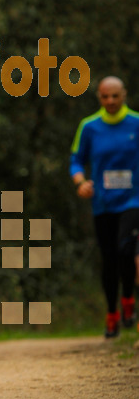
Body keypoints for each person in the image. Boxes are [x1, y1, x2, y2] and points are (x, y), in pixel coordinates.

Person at [70, 76, 139, 338]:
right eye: (105, 97)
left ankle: (129, 298)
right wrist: (80, 183)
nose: (110, 101)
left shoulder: (136, 123)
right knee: (109, 260)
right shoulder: (89, 127)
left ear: (124, 95)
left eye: (115, 96)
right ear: (99, 97)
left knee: (125, 249)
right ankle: (112, 313)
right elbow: (76, 160)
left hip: (133, 200)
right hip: (103, 203)